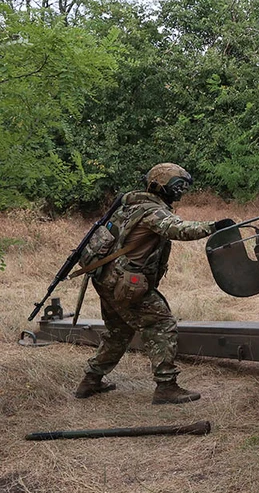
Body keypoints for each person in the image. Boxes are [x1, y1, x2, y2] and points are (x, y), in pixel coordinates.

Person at [74, 163, 233, 404]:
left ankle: (90, 382)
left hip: (106, 279)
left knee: (119, 333)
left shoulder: (130, 205)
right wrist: (213, 227)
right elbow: (177, 229)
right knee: (162, 324)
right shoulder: (152, 211)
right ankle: (166, 387)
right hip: (125, 284)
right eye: (177, 186)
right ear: (161, 185)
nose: (181, 192)